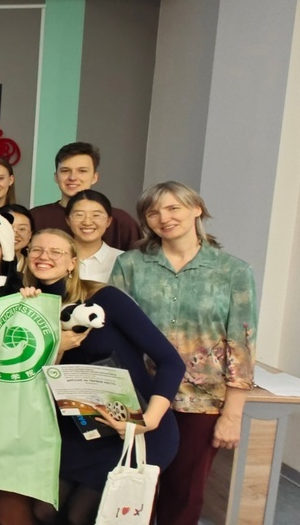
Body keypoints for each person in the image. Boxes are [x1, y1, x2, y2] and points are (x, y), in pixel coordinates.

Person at [110, 181, 257, 525]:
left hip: (201, 401)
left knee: (185, 494)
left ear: (196, 209)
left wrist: (232, 415)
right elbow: (115, 334)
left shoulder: (233, 271)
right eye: (153, 212)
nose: (164, 218)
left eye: (173, 208)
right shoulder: (130, 265)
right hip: (141, 396)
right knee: (133, 493)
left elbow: (242, 345)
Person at [21, 229, 182, 525]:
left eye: (56, 251)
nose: (44, 257)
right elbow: (27, 378)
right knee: (45, 511)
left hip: (133, 429)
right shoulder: (26, 307)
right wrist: (56, 345)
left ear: (72, 262)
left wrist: (148, 421)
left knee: (81, 514)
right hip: (78, 431)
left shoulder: (106, 298)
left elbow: (171, 361)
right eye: (37, 250)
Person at [29, 142, 142, 250]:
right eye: (65, 171)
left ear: (94, 177)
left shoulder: (120, 220)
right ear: (56, 177)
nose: (73, 177)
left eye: (82, 171)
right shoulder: (36, 217)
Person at [66, 190, 122, 283]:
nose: (87, 222)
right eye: (79, 215)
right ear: (68, 220)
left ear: (108, 221)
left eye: (96, 215)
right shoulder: (56, 257)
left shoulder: (122, 259)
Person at [3, 204, 35, 272]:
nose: (14, 234)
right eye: (9, 227)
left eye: (22, 229)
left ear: (30, 234)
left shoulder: (34, 268)